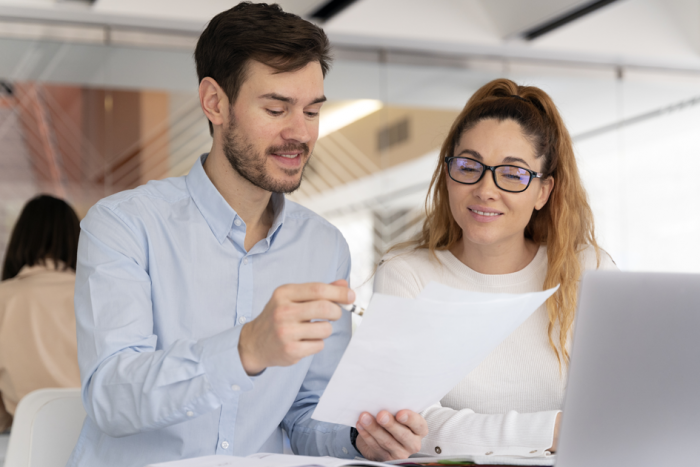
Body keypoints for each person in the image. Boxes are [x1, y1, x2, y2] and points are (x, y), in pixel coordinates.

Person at [66, 3, 426, 466]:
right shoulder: (124, 225)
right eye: (276, 108)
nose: (300, 134)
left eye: (312, 111)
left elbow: (306, 416)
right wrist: (244, 349)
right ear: (215, 103)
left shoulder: (324, 247)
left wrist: (359, 438)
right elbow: (111, 396)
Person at [374, 78, 617, 458]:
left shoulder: (588, 269)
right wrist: (552, 429)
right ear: (448, 174)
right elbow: (411, 426)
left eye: (513, 173)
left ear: (543, 191)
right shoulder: (407, 275)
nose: (485, 188)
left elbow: (616, 407)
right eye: (469, 165)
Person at [0, 194, 82, 432]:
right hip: (99, 445)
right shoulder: (99, 295)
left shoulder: (4, 298)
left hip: (28, 447)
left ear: (19, 240)